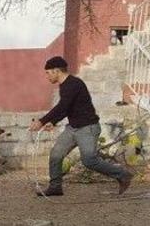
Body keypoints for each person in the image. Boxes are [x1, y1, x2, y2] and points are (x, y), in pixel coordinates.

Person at [28, 56, 133, 196]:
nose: (46, 76)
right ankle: (55, 187)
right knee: (56, 155)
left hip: (87, 128)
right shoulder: (65, 85)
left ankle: (123, 175)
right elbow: (67, 108)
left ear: (56, 71)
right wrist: (52, 122)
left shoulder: (74, 84)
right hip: (72, 128)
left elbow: (62, 106)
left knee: (89, 160)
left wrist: (41, 121)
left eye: (48, 72)